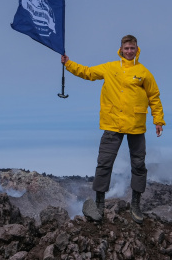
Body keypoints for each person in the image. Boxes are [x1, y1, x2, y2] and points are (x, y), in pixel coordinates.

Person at [61, 35, 165, 224]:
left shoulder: (144, 72)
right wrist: (69, 64)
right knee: (104, 163)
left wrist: (158, 120)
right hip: (112, 123)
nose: (129, 51)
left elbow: (154, 97)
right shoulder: (110, 67)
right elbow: (87, 72)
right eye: (126, 48)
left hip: (136, 125)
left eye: (132, 48)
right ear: (121, 49)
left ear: (137, 49)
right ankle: (99, 204)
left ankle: (136, 204)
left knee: (139, 165)